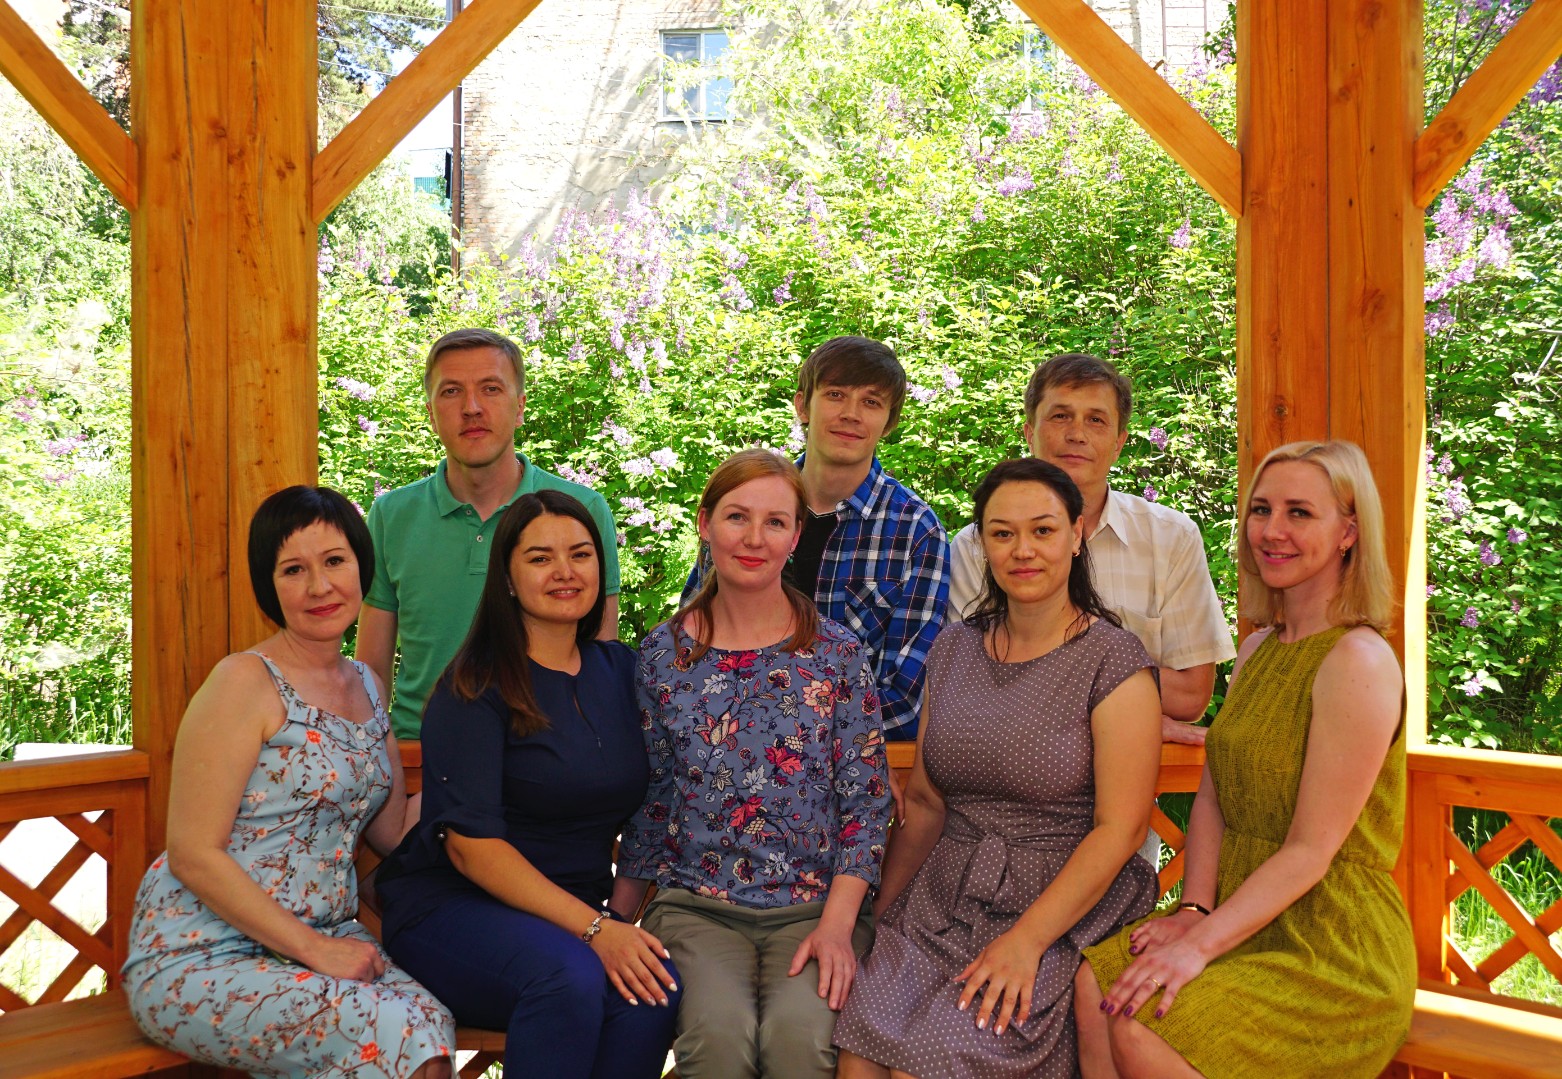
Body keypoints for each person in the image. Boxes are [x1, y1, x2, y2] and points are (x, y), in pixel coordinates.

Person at [1077, 440, 1414, 1079]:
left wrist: (1198, 946)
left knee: (1145, 1030)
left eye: (1299, 513)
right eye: (1262, 510)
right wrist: (1194, 911)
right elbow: (1214, 797)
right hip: (1237, 913)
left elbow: (1310, 851)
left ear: (1349, 532)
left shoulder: (1359, 660)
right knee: (1097, 988)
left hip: (1330, 948)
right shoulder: (1259, 650)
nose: (1272, 530)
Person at [834, 458, 1162, 1079]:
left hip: (1059, 906)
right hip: (943, 899)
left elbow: (1120, 830)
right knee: (859, 1053)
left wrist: (1028, 942)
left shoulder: (1114, 663)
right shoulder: (953, 648)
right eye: (1002, 533)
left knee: (928, 1065)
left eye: (1043, 530)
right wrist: (881, 917)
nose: (1023, 550)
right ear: (982, 543)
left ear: (1077, 534)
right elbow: (925, 802)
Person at [122, 486, 455, 1078]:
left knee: (432, 1031)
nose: (320, 586)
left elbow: (390, 832)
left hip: (324, 941)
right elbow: (192, 852)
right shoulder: (243, 681)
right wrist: (315, 949)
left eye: (335, 561)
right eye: (294, 570)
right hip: (204, 950)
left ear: (361, 567)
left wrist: (489, 778)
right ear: (268, 585)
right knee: (392, 1033)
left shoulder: (368, 686)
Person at [375, 489, 679, 1079]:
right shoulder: (473, 685)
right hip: (453, 910)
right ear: (508, 580)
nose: (565, 571)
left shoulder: (622, 671)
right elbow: (471, 848)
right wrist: (597, 930)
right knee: (570, 976)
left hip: (568, 916)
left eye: (581, 554)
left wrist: (615, 920)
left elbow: (657, 801)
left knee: (654, 989)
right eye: (541, 558)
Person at [619, 449, 893, 1079]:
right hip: (695, 907)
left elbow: (866, 804)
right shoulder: (662, 656)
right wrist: (615, 918)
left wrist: (838, 926)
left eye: (775, 522)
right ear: (705, 523)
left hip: (816, 907)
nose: (753, 538)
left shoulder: (836, 653)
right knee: (719, 1041)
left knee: (801, 1043)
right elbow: (652, 800)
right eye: (737, 516)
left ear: (795, 537)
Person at [947, 353, 1232, 747]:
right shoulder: (977, 545)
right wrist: (1128, 710)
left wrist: (1039, 674)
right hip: (1013, 764)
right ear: (1029, 433)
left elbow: (1189, 696)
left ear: (1118, 444)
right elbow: (972, 684)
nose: (1077, 434)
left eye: (1096, 420)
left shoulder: (1172, 538)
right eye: (1060, 416)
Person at [357, 327, 621, 741]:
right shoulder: (392, 516)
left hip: (548, 752)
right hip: (421, 755)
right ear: (431, 413)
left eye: (491, 389)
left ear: (520, 407)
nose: (472, 407)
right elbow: (371, 673)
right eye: (451, 392)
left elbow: (599, 662)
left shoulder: (582, 511)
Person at [685, 337, 949, 740]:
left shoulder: (916, 531)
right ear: (802, 405)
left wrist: (787, 739)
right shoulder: (745, 509)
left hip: (851, 761)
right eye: (835, 394)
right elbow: (691, 643)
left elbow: (905, 697)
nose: (851, 414)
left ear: (889, 422)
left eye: (871, 402)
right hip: (725, 752)